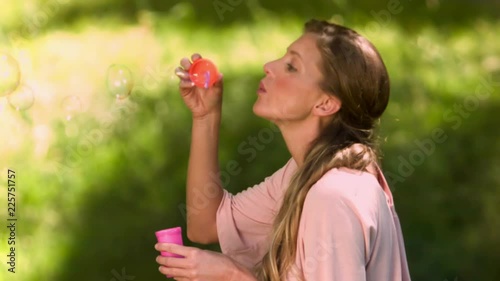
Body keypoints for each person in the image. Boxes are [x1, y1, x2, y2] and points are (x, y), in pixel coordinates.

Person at [155, 19, 411, 281]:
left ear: (325, 103)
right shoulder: (308, 173)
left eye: (291, 67)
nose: (269, 66)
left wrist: (233, 275)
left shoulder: (333, 198)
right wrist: (205, 117)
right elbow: (205, 225)